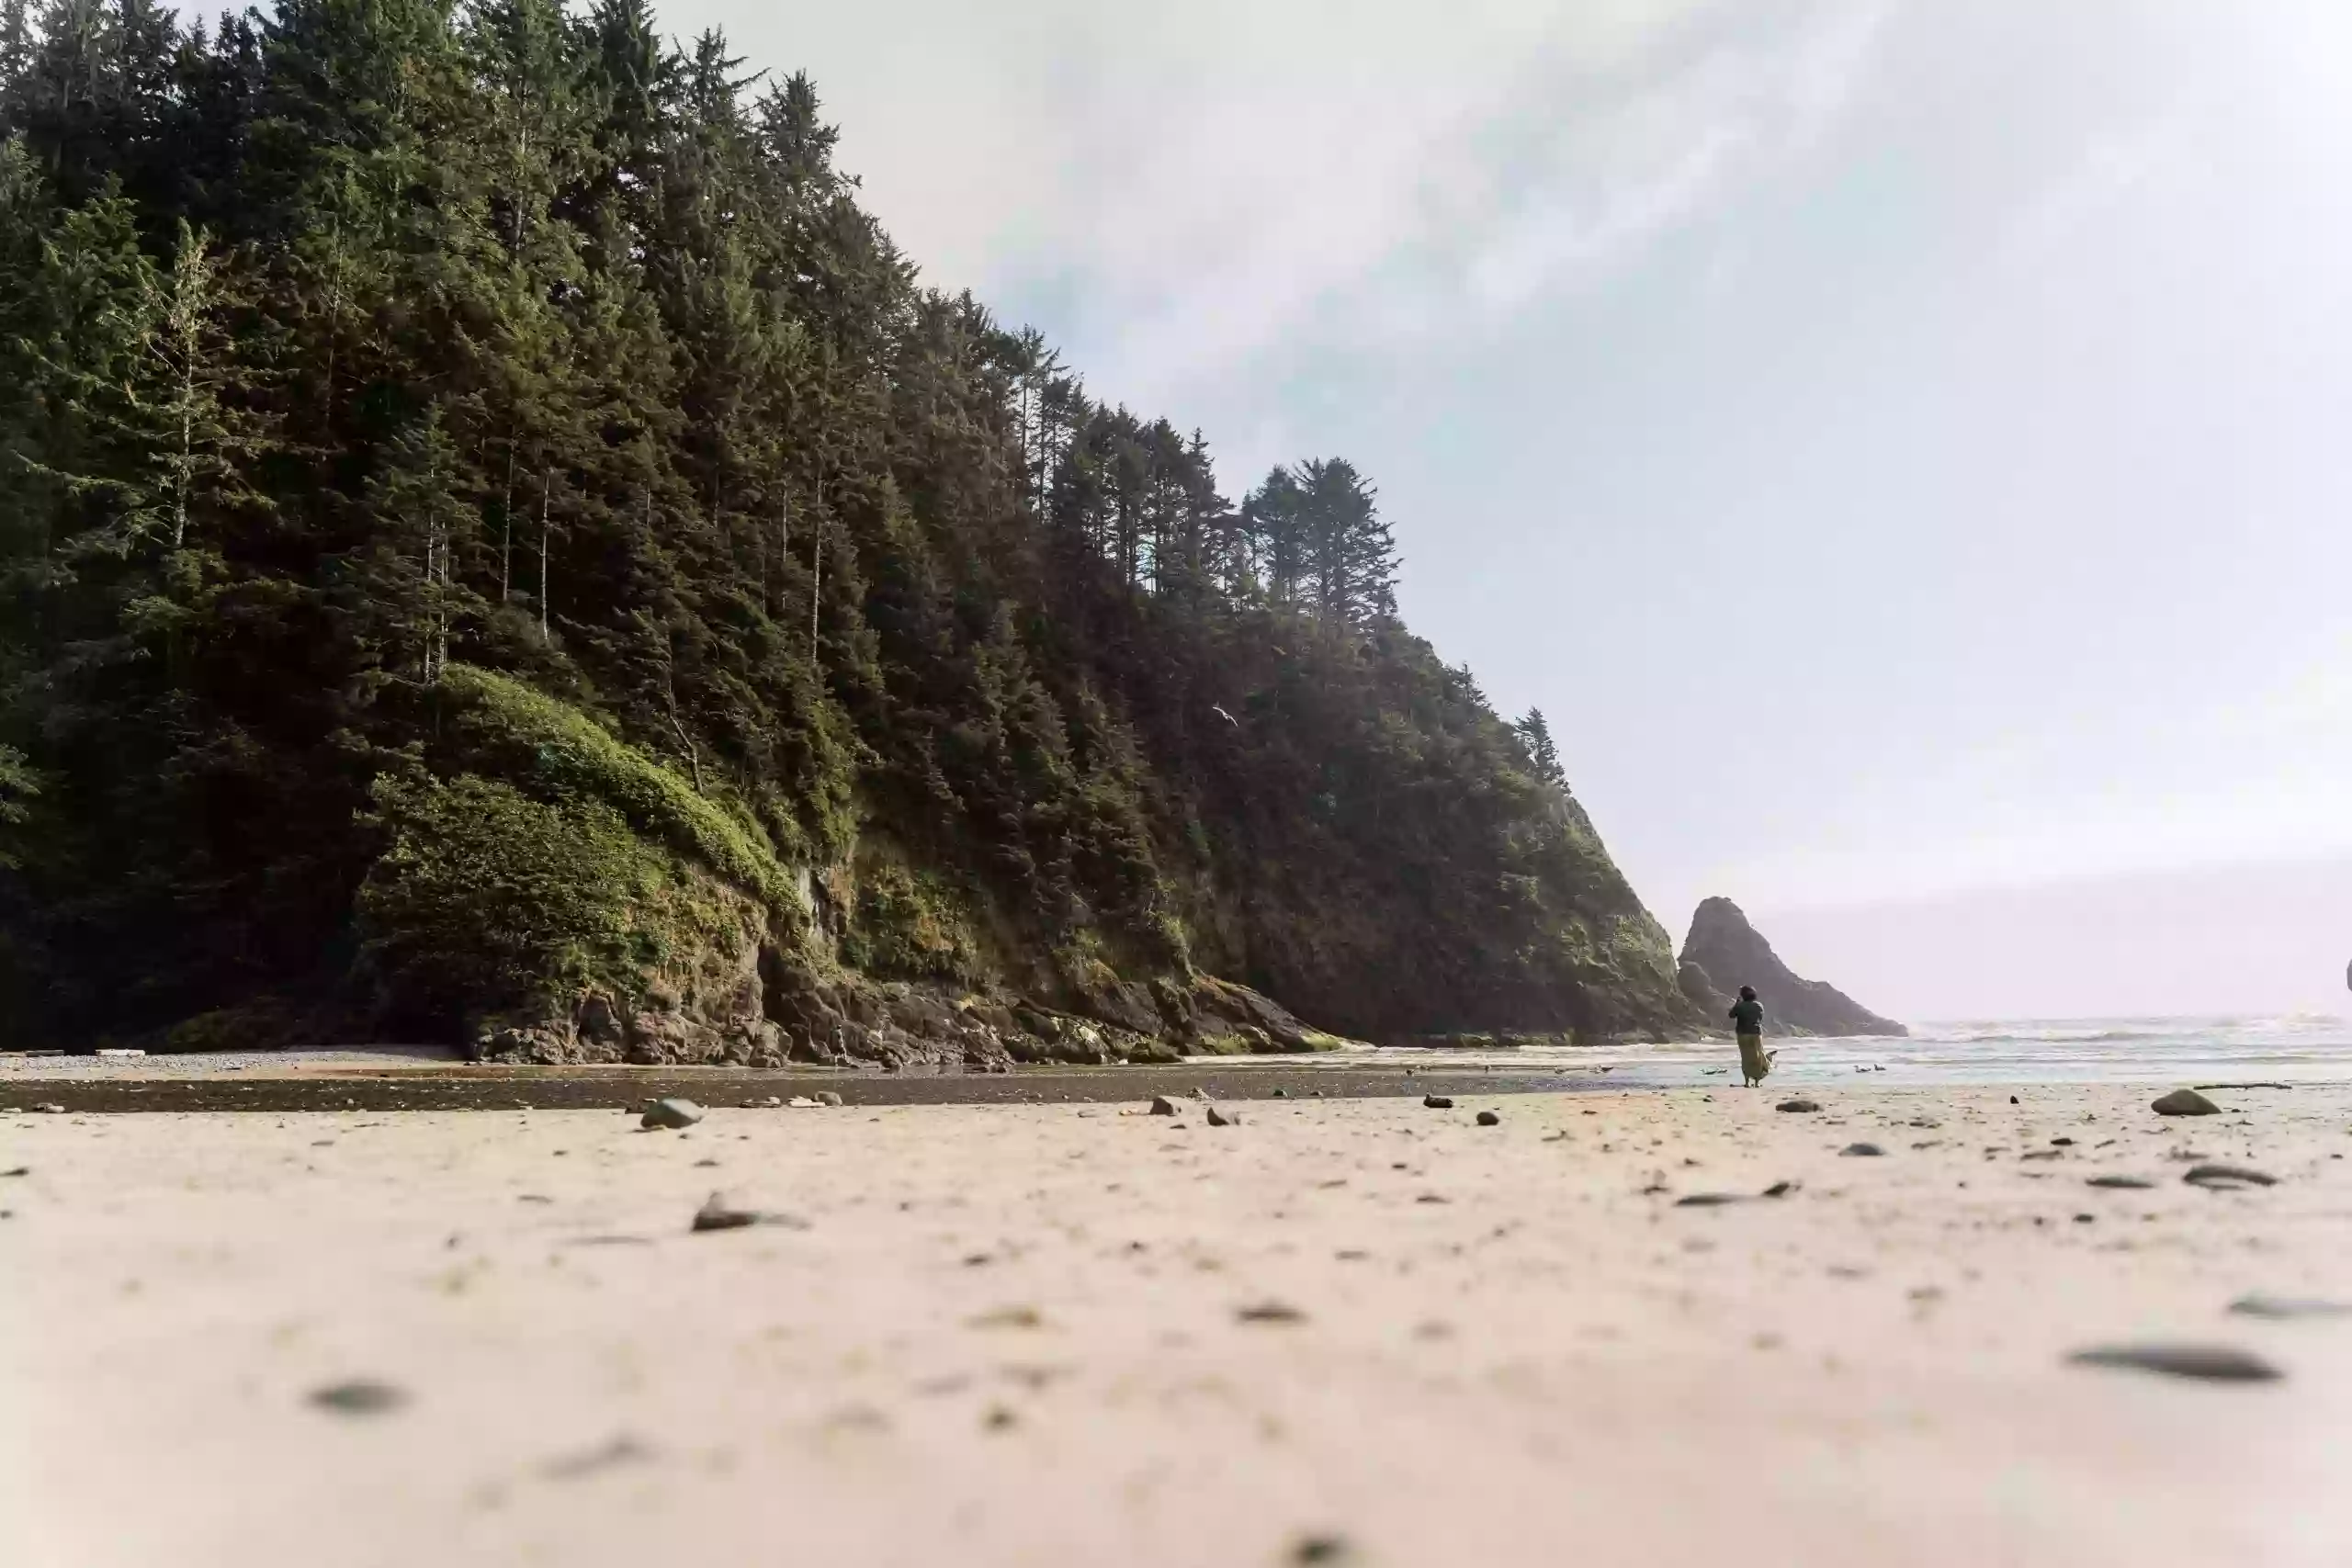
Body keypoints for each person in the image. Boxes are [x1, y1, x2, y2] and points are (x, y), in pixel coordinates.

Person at [1729, 985, 1772, 1087]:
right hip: (1756, 1033)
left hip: (1742, 1034)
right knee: (1757, 1057)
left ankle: (1747, 1082)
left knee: (1746, 1057)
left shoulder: (1740, 1006)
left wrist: (1737, 1004)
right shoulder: (1759, 1005)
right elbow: (1760, 1019)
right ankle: (1757, 1082)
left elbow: (1731, 1015)